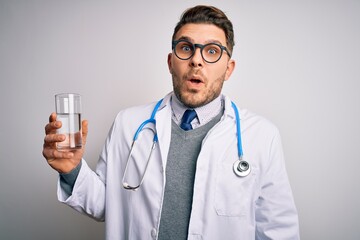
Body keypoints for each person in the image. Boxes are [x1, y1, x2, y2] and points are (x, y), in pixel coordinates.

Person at [43, 5, 300, 240]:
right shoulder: (129, 124)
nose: (196, 60)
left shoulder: (262, 136)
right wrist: (71, 170)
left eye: (212, 51)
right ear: (170, 62)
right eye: (186, 48)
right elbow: (105, 205)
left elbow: (277, 232)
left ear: (229, 68)